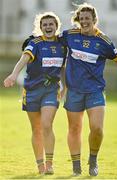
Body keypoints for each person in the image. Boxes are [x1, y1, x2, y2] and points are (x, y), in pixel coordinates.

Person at [59, 3, 117, 176]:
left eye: (88, 18)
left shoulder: (103, 41)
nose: (85, 21)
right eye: (82, 19)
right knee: (74, 129)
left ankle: (93, 160)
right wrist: (33, 40)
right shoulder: (69, 35)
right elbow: (50, 38)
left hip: (95, 90)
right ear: (78, 20)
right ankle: (76, 166)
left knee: (97, 128)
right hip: (73, 91)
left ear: (94, 20)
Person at [4, 12, 66, 175]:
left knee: (46, 124)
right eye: (44, 24)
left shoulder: (62, 45)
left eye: (51, 24)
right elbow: (23, 59)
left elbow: (64, 68)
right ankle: (40, 165)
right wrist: (14, 74)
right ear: (40, 27)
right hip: (31, 91)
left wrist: (65, 87)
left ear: (56, 26)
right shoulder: (35, 43)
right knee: (36, 129)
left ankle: (50, 164)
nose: (48, 27)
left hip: (51, 91)